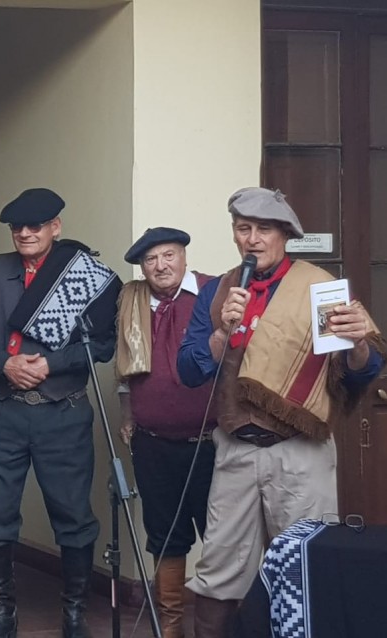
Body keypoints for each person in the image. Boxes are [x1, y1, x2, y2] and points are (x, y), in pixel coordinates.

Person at [177, 187, 386, 637]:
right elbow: (189, 371)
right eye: (243, 228)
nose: (252, 239)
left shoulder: (318, 289)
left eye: (264, 229)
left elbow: (357, 377)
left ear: (285, 235)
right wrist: (221, 332)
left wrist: (358, 345)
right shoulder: (217, 291)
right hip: (235, 450)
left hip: (300, 453)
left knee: (306, 566)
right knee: (218, 573)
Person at [0, 188, 122, 638]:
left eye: (36, 225)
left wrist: (53, 363)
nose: (25, 233)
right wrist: (4, 364)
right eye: (18, 227)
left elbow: (104, 344)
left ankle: (74, 614)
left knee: (74, 517)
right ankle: (2, 613)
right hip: (2, 413)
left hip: (62, 413)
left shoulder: (82, 273)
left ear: (56, 227)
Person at [116, 227, 216, 638]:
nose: (160, 266)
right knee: (165, 536)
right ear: (142, 267)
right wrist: (127, 413)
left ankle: (216, 627)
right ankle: (170, 627)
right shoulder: (132, 300)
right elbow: (124, 369)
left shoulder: (213, 293)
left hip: (212, 444)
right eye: (151, 259)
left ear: (184, 256)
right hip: (153, 443)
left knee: (221, 537)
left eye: (168, 255)